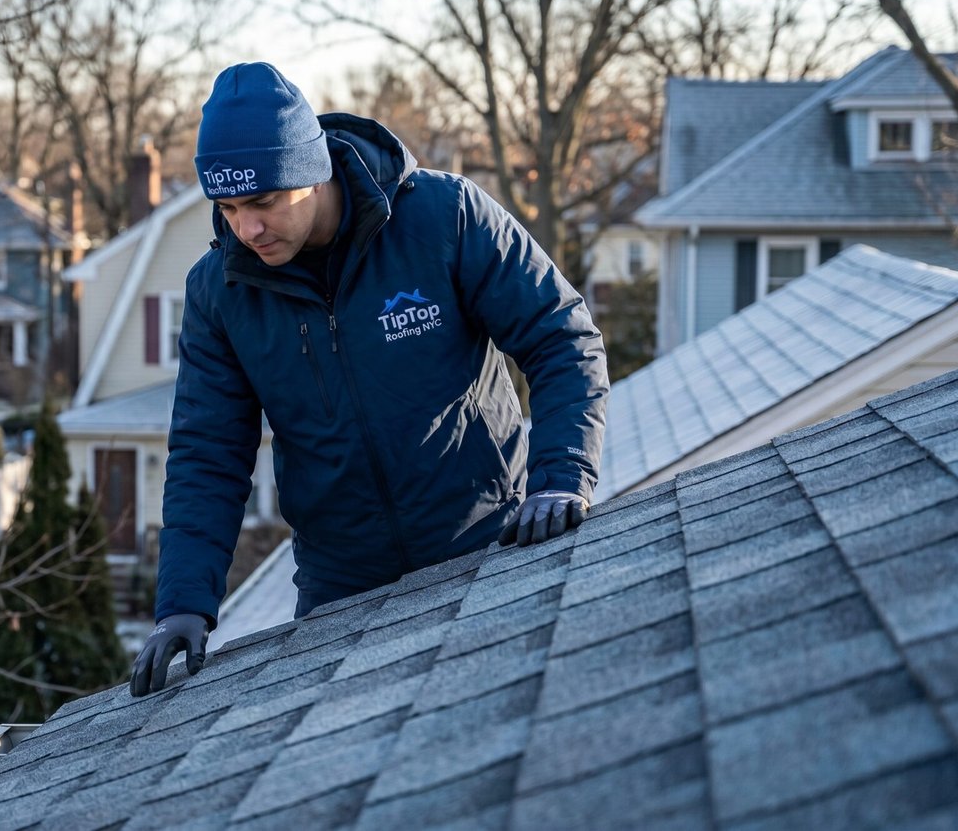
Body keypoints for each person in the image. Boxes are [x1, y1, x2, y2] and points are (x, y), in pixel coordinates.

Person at [129, 62, 608, 697]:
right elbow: (206, 453)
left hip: (487, 548)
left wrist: (562, 478)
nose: (246, 229)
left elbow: (560, 337)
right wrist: (183, 602)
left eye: (264, 203)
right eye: (229, 207)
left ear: (313, 169)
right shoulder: (221, 291)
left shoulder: (444, 217)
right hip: (340, 593)